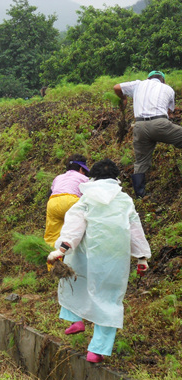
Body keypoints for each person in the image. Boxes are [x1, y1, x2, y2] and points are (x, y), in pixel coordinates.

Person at [47, 159, 151, 363]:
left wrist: (62, 248)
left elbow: (74, 226)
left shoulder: (87, 199)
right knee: (110, 300)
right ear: (116, 178)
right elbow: (135, 229)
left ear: (92, 177)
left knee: (74, 281)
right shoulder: (125, 200)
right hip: (114, 258)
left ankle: (75, 319)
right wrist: (142, 257)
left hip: (86, 253)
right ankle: (96, 350)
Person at [114, 70, 182, 198]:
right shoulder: (167, 88)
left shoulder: (138, 84)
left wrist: (123, 99)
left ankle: (140, 195)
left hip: (139, 126)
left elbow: (116, 87)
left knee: (141, 161)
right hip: (160, 123)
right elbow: (169, 111)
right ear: (163, 80)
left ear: (148, 78)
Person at [44, 154, 90, 247]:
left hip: (53, 203)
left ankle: (50, 257)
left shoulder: (58, 177)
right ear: (81, 169)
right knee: (77, 230)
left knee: (52, 235)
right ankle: (72, 256)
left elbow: (50, 193)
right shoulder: (84, 178)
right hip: (71, 201)